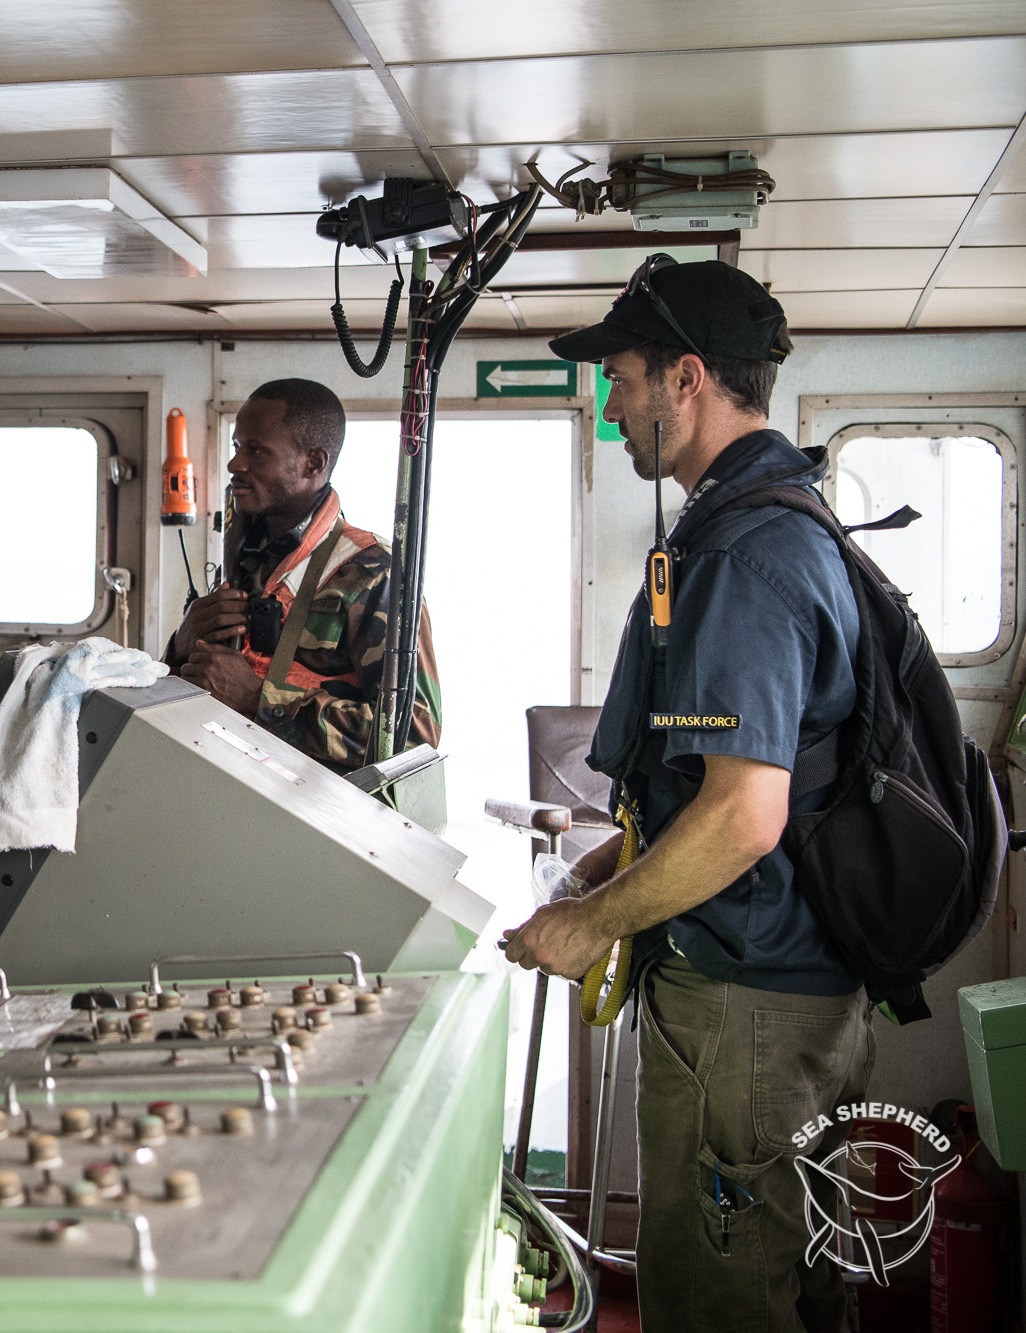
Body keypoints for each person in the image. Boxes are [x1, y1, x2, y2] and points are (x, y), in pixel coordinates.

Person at [502, 258, 872, 1333]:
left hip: (744, 1008)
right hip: (792, 986)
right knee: (799, 1289)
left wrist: (591, 924)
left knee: (720, 1301)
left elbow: (743, 815)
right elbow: (734, 784)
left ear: (687, 378)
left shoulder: (743, 556)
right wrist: (608, 867)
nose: (610, 408)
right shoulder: (777, 519)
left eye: (620, 381)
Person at [164, 377, 440, 774]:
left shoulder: (373, 573)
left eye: (256, 450)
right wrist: (180, 646)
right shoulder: (246, 560)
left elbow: (413, 734)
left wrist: (260, 699)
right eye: (237, 447)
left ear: (314, 463)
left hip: (320, 805)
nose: (235, 465)